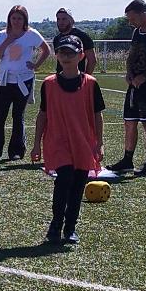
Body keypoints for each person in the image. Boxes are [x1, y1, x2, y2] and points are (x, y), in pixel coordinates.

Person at [38, 34, 106, 248]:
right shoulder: (49, 83)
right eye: (62, 52)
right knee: (64, 178)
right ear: (56, 55)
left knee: (77, 185)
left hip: (83, 141)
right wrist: (36, 143)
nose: (66, 57)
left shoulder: (90, 84)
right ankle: (56, 224)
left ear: (81, 56)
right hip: (58, 141)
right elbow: (42, 115)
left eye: (71, 53)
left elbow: (97, 115)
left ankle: (70, 227)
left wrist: (99, 142)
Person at [107, 0, 146, 176]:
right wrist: (129, 72)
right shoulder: (137, 32)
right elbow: (132, 55)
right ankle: (127, 160)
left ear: (143, 14)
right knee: (129, 122)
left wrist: (145, 76)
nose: (130, 22)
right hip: (134, 86)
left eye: (132, 18)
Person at [0, 5, 47, 161]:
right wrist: (7, 41)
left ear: (25, 20)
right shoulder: (1, 35)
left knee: (18, 116)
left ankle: (16, 151)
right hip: (4, 80)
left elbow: (46, 50)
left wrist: (36, 65)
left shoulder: (32, 34)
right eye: (14, 18)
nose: (16, 21)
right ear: (9, 19)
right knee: (0, 116)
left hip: (24, 80)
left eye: (20, 18)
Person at [32, 8, 95, 161]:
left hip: (78, 85)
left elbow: (92, 60)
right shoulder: (57, 38)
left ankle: (84, 151)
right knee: (55, 118)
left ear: (71, 20)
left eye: (64, 19)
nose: (61, 22)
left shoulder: (83, 36)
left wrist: (84, 80)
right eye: (58, 19)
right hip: (60, 84)